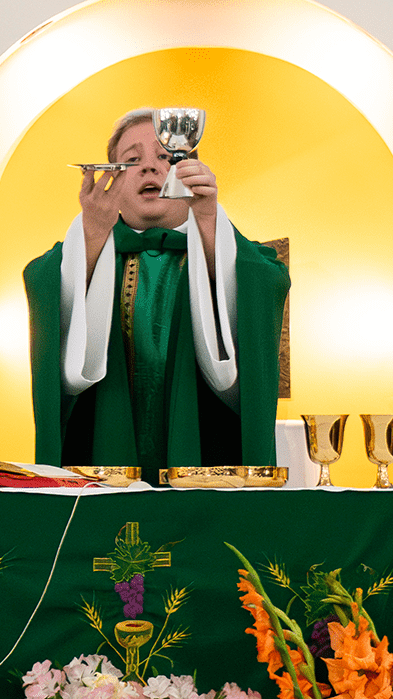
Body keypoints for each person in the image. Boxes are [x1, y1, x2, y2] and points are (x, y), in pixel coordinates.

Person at [24, 108, 289, 485]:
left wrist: (209, 218)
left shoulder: (222, 247)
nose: (150, 168)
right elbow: (44, 286)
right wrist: (94, 233)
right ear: (109, 178)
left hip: (206, 459)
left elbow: (267, 279)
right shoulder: (86, 250)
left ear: (190, 171)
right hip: (102, 459)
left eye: (166, 156)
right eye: (131, 160)